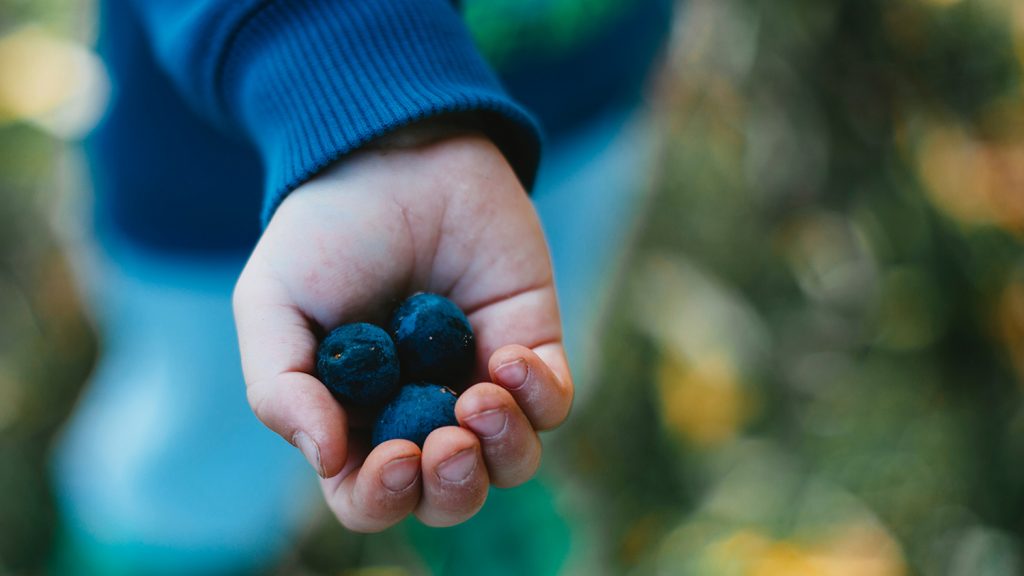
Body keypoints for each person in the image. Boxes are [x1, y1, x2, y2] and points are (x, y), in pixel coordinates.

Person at [52, 0, 673, 573]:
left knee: (516, 348)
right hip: (228, 172)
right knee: (200, 441)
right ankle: (162, 552)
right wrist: (336, 47)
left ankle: (478, 484)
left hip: (567, 99)